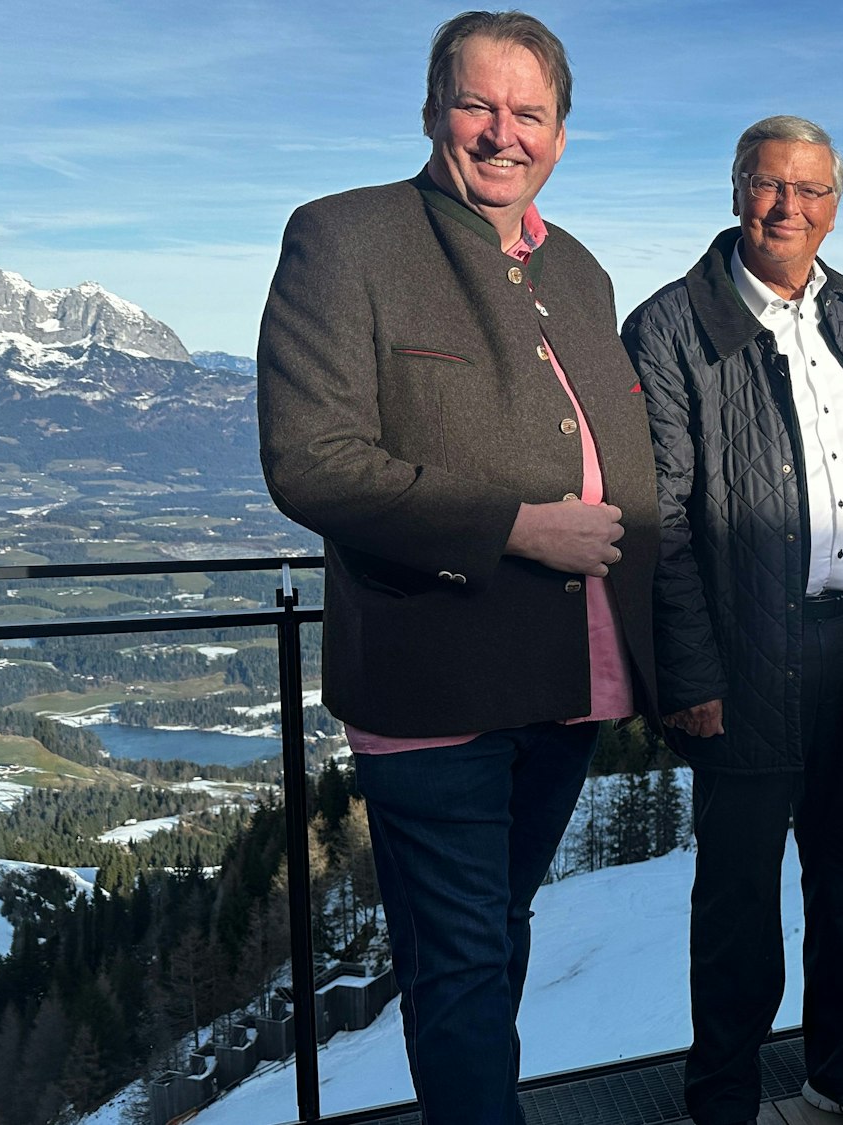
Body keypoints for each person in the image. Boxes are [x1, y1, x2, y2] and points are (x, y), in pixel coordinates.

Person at [254, 11, 657, 1124]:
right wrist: (517, 527)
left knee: (497, 934)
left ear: (562, 135)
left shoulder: (579, 270)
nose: (501, 132)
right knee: (467, 957)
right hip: (434, 683)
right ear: (434, 111)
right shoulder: (347, 238)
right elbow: (313, 462)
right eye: (478, 104)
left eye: (529, 112)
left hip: (570, 681)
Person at [622, 115, 843, 1125]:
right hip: (745, 647)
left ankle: (837, 1068)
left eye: (810, 190)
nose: (786, 207)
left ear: (834, 206)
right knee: (736, 898)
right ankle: (721, 1094)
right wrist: (689, 673)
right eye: (768, 185)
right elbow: (662, 521)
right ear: (733, 191)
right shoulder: (672, 325)